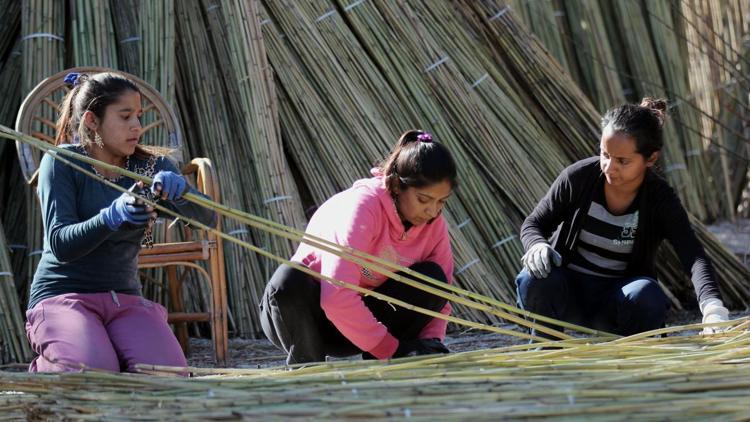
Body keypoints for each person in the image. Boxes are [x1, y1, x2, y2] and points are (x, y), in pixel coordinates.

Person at [25, 72, 217, 372]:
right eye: (125, 117)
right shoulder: (63, 162)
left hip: (123, 298)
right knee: (91, 373)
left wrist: (183, 194)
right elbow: (61, 244)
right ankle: (49, 368)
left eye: (138, 116)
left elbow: (208, 218)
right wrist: (111, 216)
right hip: (63, 296)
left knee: (168, 375)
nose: (137, 127)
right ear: (92, 120)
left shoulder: (151, 167)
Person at [516, 98, 729, 338]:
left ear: (650, 159)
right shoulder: (578, 178)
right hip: (567, 295)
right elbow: (533, 224)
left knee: (647, 294)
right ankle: (548, 347)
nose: (608, 167)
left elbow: (693, 256)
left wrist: (712, 307)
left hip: (616, 301)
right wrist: (537, 245)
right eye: (604, 154)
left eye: (622, 161)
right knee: (535, 278)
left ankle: (627, 355)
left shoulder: (660, 199)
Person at [261, 130, 457, 364]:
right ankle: (308, 367)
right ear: (396, 185)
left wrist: (431, 344)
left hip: (362, 324)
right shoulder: (364, 208)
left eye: (441, 202)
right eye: (424, 200)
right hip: (305, 318)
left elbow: (440, 299)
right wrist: (389, 349)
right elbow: (336, 298)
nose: (432, 211)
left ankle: (396, 366)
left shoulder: (434, 225)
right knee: (288, 280)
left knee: (433, 279)